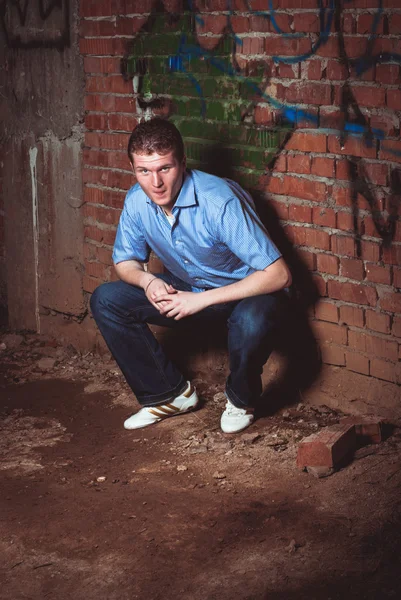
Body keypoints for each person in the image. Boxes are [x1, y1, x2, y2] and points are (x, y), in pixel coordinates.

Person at [90, 118, 292, 434]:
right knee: (107, 299)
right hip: (192, 292)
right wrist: (149, 280)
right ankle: (168, 396)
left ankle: (241, 399)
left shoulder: (218, 200)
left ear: (183, 163)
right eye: (144, 171)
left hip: (249, 293)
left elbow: (279, 275)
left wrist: (199, 300)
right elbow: (126, 261)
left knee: (252, 318)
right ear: (133, 169)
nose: (155, 182)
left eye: (164, 169)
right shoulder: (137, 201)